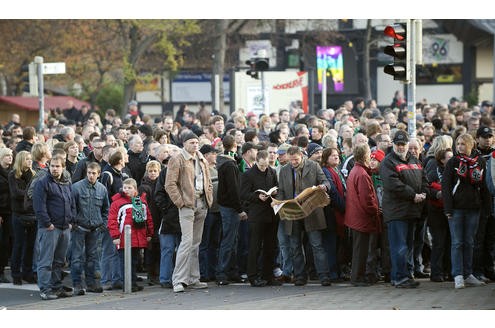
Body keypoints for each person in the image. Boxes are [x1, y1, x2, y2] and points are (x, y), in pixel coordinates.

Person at [276, 146, 332, 286]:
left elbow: (326, 182)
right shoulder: (284, 170)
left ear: (301, 156)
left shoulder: (313, 166)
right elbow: (282, 191)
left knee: (316, 244)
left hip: (311, 210)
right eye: (291, 160)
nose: (293, 162)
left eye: (295, 160)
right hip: (293, 211)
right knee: (295, 246)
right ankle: (300, 276)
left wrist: (323, 187)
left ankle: (324, 276)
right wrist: (277, 202)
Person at [165, 132, 213, 293]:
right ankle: (178, 280)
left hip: (202, 203)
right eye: (192, 142)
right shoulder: (177, 159)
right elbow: (170, 184)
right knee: (186, 242)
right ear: (184, 143)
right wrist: (181, 202)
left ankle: (193, 278)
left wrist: (209, 198)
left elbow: (208, 181)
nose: (195, 145)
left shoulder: (202, 158)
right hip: (187, 205)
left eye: (196, 142)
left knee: (195, 244)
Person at [380, 130, 427, 288]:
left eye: (403, 144)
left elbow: (424, 179)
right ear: (393, 144)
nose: (401, 147)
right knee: (399, 247)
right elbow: (393, 184)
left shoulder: (415, 160)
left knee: (408, 246)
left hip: (412, 210)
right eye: (398, 144)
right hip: (396, 211)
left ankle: (406, 275)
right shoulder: (388, 162)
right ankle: (399, 277)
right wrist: (413, 194)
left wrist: (423, 193)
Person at [442, 133, 488, 289]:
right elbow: (446, 187)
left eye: (463, 144)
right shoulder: (453, 162)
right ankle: (458, 275)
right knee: (457, 242)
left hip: (473, 208)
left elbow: (484, 187)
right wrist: (448, 208)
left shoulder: (480, 162)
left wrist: (486, 208)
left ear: (471, 145)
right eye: (458, 144)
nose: (459, 147)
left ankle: (468, 274)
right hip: (456, 209)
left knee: (469, 242)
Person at [33, 154, 75, 300]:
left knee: (59, 261)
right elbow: (39, 206)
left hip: (65, 227)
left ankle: (56, 287)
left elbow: (72, 204)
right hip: (50, 228)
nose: (55, 169)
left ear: (63, 168)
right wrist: (47, 223)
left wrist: (71, 221)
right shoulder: (42, 183)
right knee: (46, 261)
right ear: (49, 167)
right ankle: (45, 289)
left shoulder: (66, 183)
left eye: (58, 166)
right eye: (52, 166)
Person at [240, 150, 281, 287]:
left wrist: (275, 191)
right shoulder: (248, 174)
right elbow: (243, 194)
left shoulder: (272, 171)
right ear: (256, 161)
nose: (264, 168)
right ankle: (253, 276)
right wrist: (257, 196)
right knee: (255, 246)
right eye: (261, 165)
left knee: (271, 246)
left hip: (271, 213)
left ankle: (268, 275)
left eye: (266, 165)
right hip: (257, 215)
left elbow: (277, 187)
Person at [107, 178, 153, 292]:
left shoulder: (140, 202)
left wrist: (149, 233)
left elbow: (147, 219)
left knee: (134, 261)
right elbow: (112, 221)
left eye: (129, 188)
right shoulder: (117, 203)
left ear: (135, 189)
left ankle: (133, 282)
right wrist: (115, 236)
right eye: (125, 187)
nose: (126, 190)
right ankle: (126, 283)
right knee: (124, 261)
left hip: (138, 238)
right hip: (123, 238)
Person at [344, 143, 380, 286]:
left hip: (356, 217)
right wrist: (375, 210)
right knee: (361, 250)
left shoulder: (355, 170)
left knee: (359, 249)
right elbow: (367, 199)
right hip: (362, 218)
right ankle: (357, 278)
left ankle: (357, 276)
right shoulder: (362, 174)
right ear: (365, 155)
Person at [70, 162, 109, 295]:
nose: (91, 176)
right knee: (77, 257)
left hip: (95, 229)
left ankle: (91, 283)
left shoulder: (102, 189)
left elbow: (106, 209)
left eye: (94, 173)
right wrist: (74, 223)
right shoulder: (76, 187)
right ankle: (77, 284)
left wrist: (103, 224)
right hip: (79, 227)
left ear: (98, 175)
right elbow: (71, 207)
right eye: (89, 173)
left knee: (92, 257)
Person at [215, 135, 248, 286]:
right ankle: (222, 272)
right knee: (228, 240)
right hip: (230, 207)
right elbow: (234, 189)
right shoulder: (229, 165)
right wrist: (240, 209)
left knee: (232, 240)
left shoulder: (225, 163)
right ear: (234, 146)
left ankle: (231, 271)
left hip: (227, 205)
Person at [7, 150, 36, 285]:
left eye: (30, 159)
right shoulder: (13, 174)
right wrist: (30, 193)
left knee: (30, 245)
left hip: (32, 214)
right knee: (18, 245)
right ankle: (15, 274)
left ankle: (27, 272)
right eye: (27, 159)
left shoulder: (33, 174)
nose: (30, 161)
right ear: (21, 161)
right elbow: (15, 193)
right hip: (18, 214)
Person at [425, 148, 453, 282]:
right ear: (442, 159)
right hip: (436, 212)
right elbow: (428, 186)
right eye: (449, 157)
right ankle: (436, 272)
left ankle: (448, 271)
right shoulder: (434, 168)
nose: (451, 159)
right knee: (439, 242)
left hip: (449, 210)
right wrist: (438, 193)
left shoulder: (453, 170)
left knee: (449, 242)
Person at [198, 144, 222, 283]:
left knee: (215, 243)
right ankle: (203, 272)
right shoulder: (202, 169)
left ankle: (212, 271)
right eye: (213, 153)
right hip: (207, 211)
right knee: (205, 244)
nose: (216, 156)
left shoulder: (216, 169)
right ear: (206, 155)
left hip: (218, 211)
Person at [138, 160, 162, 285]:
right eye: (150, 171)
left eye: (155, 171)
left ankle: (157, 273)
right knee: (150, 248)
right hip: (149, 220)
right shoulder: (143, 186)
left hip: (159, 219)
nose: (152, 173)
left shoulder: (161, 184)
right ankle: (151, 274)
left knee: (158, 247)